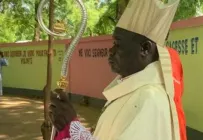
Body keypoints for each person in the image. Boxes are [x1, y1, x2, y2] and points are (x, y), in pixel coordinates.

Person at [49, 0, 186, 140]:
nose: (111, 50)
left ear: (145, 49)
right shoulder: (134, 91)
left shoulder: (150, 99)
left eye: (117, 44)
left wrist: (72, 127)